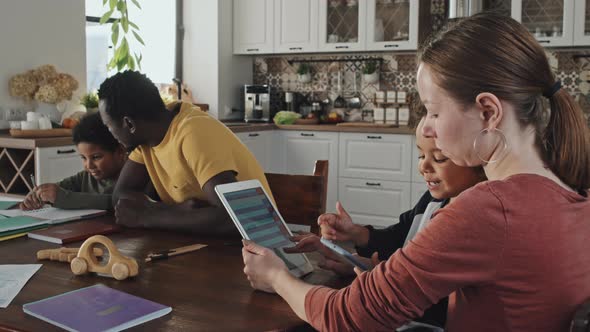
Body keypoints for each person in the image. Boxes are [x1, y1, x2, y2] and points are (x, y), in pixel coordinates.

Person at [242, 12, 590, 332]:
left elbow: (346, 316)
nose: (426, 128)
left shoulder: (488, 209)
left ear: (487, 112)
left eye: (433, 111)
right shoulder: (568, 191)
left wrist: (276, 278)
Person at [285, 116, 485, 328]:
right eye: (420, 155)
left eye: (439, 158)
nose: (423, 166)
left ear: (476, 161)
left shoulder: (470, 222)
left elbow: (424, 295)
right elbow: (398, 238)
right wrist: (355, 234)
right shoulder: (433, 201)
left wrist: (276, 278)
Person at [97, 71, 272, 235]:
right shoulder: (148, 138)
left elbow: (239, 218)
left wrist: (146, 216)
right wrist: (173, 211)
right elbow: (121, 196)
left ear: (129, 124)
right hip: (206, 244)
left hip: (258, 248)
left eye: (108, 126)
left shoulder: (193, 132)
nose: (110, 134)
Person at [20, 112, 126, 211]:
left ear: (120, 151)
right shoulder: (85, 177)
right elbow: (59, 189)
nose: (89, 165)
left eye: (96, 157)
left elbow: (115, 202)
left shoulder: (133, 176)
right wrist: (40, 194)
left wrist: (63, 197)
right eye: (83, 158)